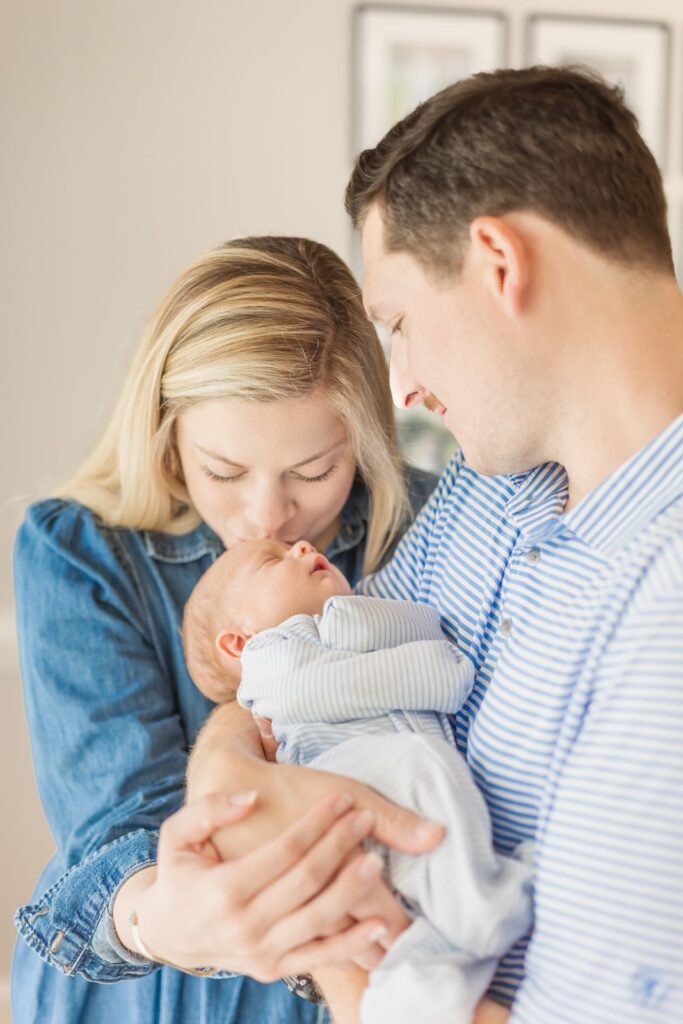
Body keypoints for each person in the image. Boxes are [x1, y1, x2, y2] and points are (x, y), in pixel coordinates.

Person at [186, 67, 683, 1024]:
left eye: (399, 324)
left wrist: (314, 907)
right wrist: (227, 769)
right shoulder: (487, 490)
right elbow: (301, 661)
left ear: (500, 260)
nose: (402, 386)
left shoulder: (664, 604)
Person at [11, 236, 439, 1024]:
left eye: (315, 472)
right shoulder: (80, 552)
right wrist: (168, 915)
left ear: (365, 440)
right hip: (145, 993)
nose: (269, 517)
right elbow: (114, 825)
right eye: (225, 470)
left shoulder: (431, 525)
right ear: (167, 431)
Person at [181, 535, 534, 1023]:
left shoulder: (349, 622)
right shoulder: (272, 658)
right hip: (351, 775)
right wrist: (436, 668)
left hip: (386, 787)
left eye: (292, 546)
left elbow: (420, 623)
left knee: (415, 902)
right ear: (238, 642)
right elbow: (350, 681)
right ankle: (482, 910)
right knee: (419, 772)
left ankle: (414, 987)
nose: (301, 547)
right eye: (271, 560)